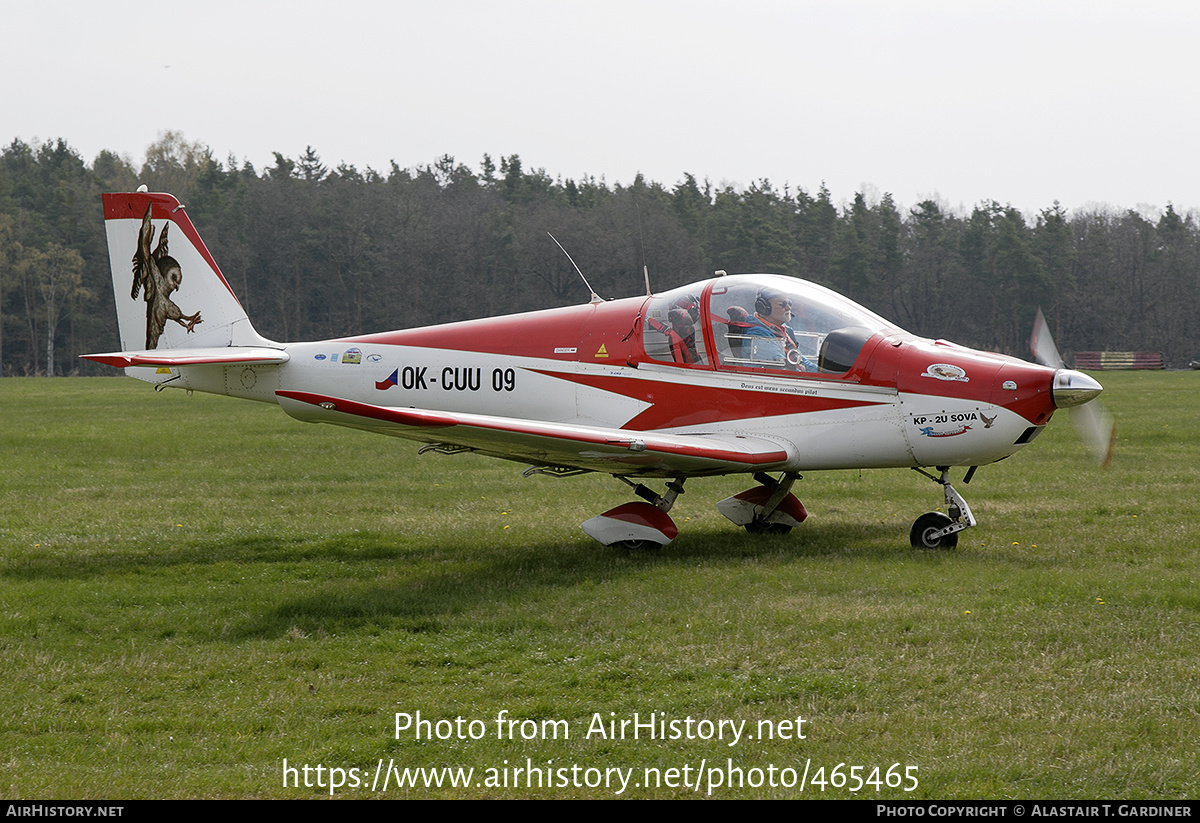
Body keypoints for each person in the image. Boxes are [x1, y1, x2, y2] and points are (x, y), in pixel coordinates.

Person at [744, 287, 814, 371]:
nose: (788, 308)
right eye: (783, 304)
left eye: (790, 303)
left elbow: (800, 361)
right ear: (763, 307)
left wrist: (824, 371)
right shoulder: (758, 335)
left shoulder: (785, 330)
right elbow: (782, 369)